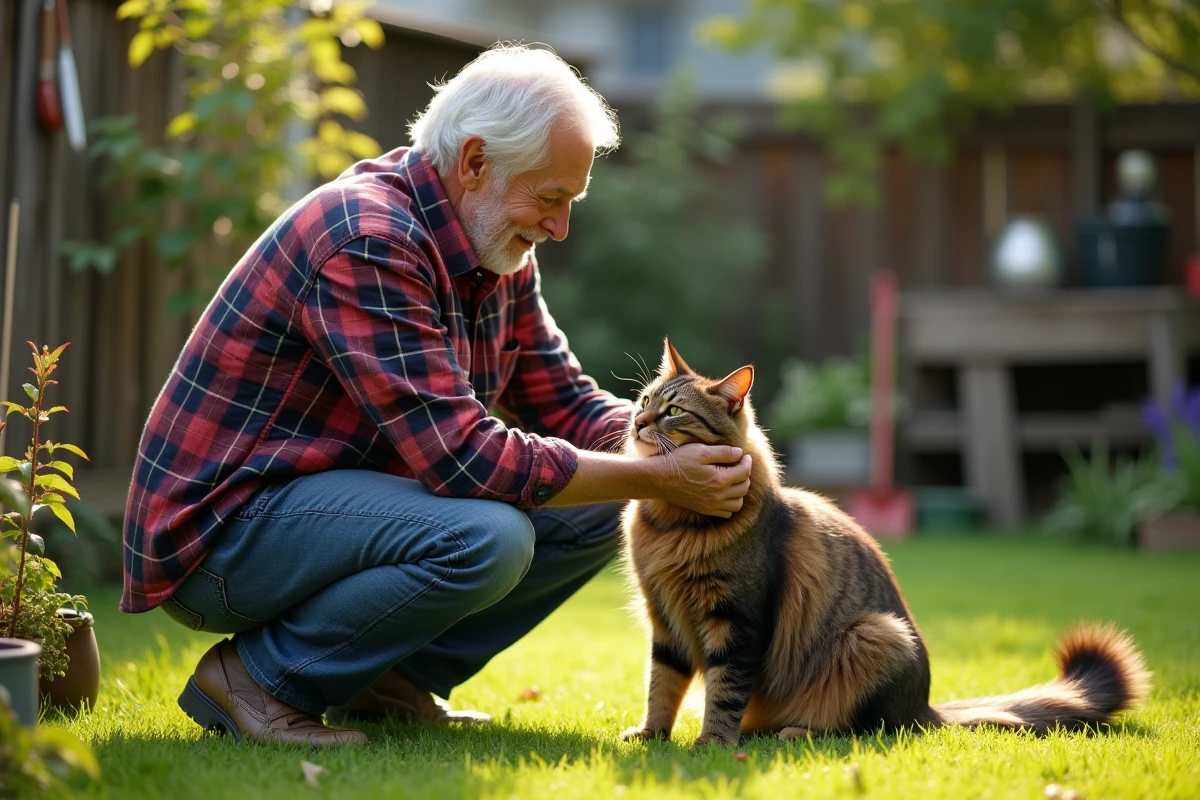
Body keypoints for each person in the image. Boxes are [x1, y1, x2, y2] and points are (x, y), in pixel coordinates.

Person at [120, 44, 753, 746]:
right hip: (223, 540)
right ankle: (258, 679)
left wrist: (702, 451)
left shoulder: (498, 252)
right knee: (488, 535)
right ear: (475, 162)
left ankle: (382, 680)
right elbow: (465, 460)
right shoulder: (368, 240)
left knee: (607, 507)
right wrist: (659, 475)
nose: (559, 227)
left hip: (321, 511)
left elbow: (565, 402)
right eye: (551, 198)